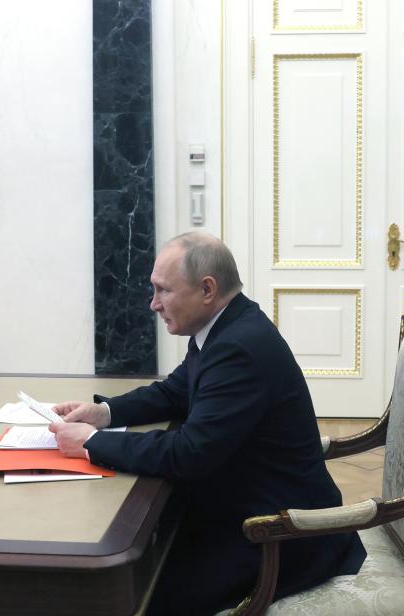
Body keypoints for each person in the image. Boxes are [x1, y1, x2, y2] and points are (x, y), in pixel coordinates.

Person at [49, 232, 366, 615]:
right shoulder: (224, 328)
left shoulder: (238, 347)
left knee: (141, 591)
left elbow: (188, 454)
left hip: (279, 536)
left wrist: (91, 444)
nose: (153, 304)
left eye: (163, 291)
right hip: (244, 508)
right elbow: (174, 392)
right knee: (142, 560)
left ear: (207, 289)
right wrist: (106, 413)